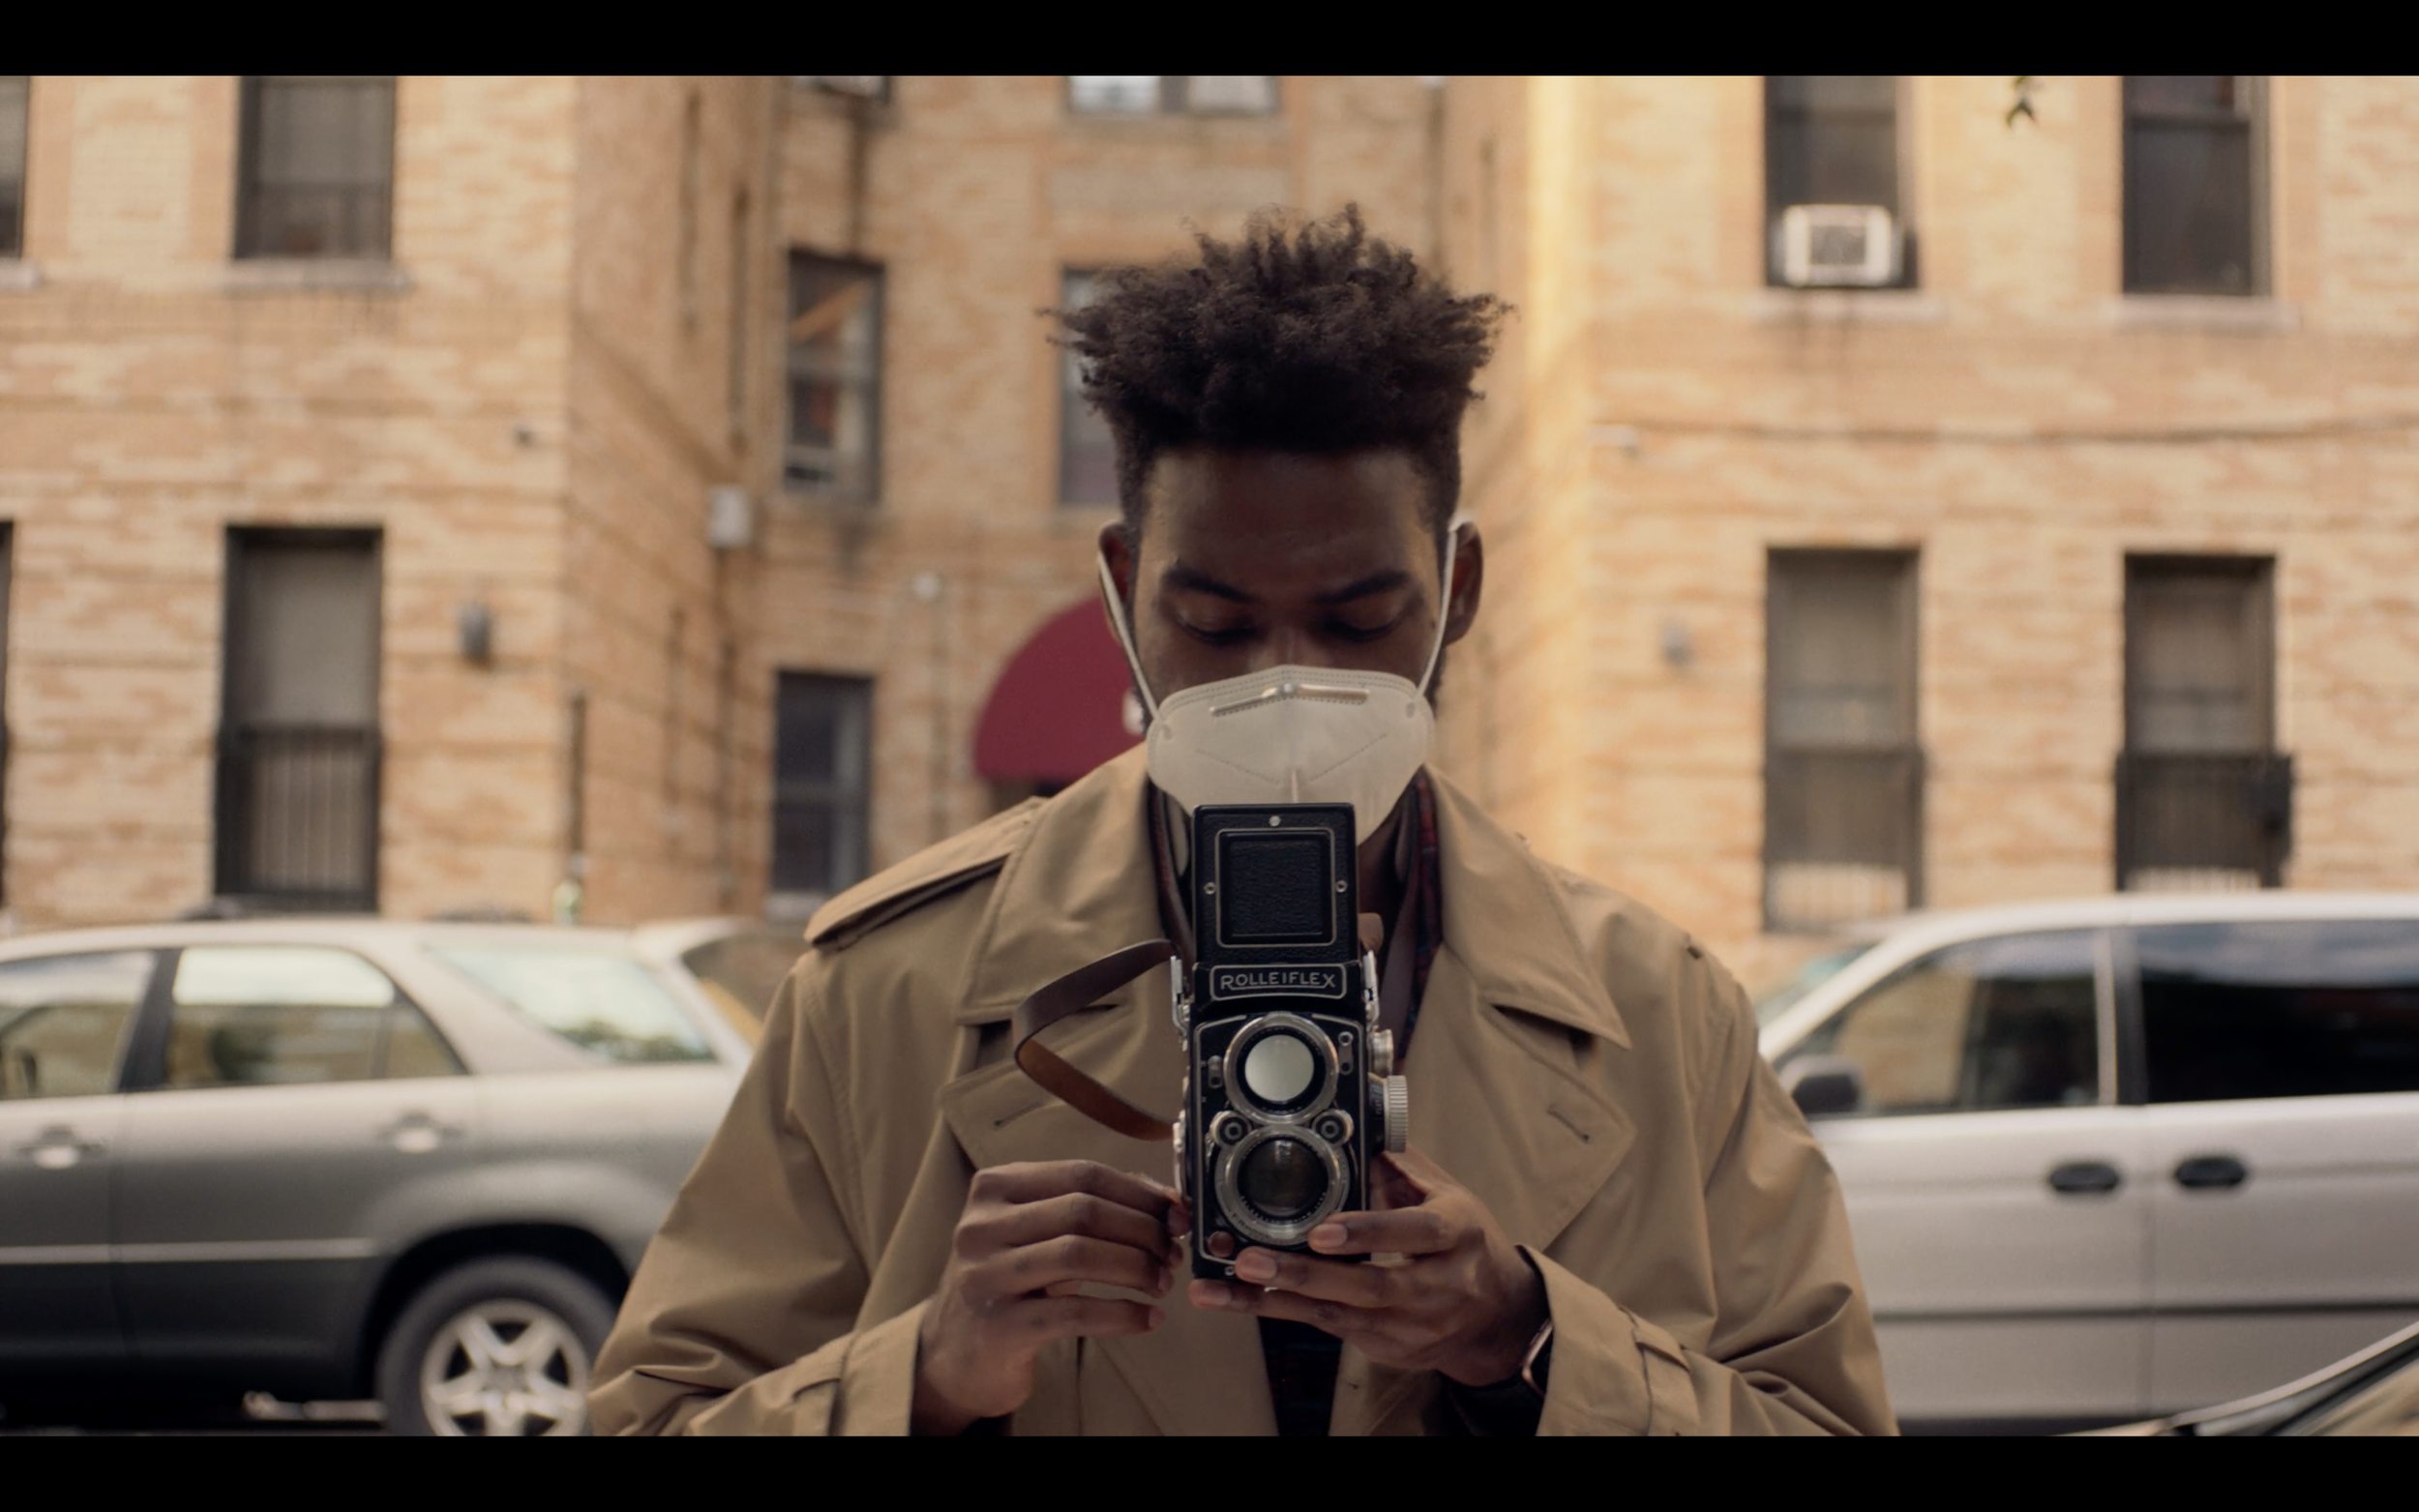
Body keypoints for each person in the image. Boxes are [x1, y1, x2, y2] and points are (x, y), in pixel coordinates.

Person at [589, 209, 1894, 1436]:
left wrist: (1528, 1337)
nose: (1283, 682)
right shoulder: (884, 995)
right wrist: (926, 1374)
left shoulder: (1659, 1015)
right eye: (1214, 625)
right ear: (1123, 590)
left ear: (1459, 589)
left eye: (1357, 620)